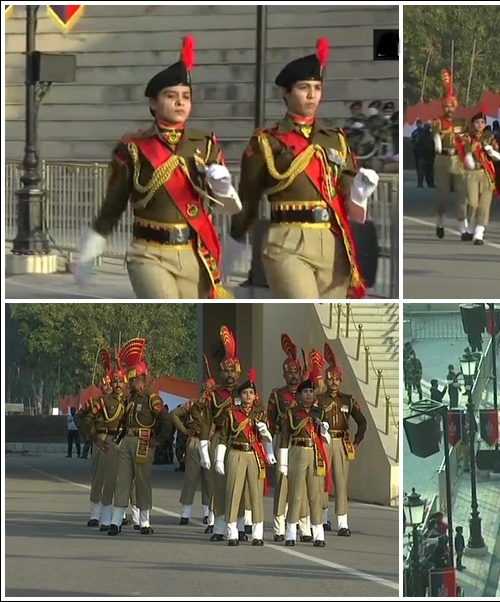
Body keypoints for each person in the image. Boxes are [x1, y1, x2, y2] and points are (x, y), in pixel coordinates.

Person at [74, 35, 240, 299]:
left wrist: (222, 184)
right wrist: (89, 252)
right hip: (149, 254)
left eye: (186, 96)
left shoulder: (205, 144)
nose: (180, 102)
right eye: (171, 96)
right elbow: (112, 206)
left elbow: (228, 206)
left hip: (193, 254)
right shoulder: (133, 148)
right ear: (153, 103)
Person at [230, 38, 379, 299]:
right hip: (287, 241)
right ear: (287, 93)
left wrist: (359, 189)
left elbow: (343, 188)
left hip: (333, 241)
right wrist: (228, 256)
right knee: (305, 312)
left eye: (317, 88)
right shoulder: (267, 142)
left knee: (328, 329)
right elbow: (248, 201)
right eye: (303, 88)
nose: (312, 95)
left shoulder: (335, 138)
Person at [107, 338, 172, 535]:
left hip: (144, 439)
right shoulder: (130, 400)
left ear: (141, 380)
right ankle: (116, 521)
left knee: (143, 481)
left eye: (132, 380)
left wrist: (159, 440)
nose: (129, 383)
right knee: (123, 480)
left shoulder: (153, 400)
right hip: (127, 440)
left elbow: (166, 421)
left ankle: (144, 521)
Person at [215, 369, 275, 547]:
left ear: (255, 396)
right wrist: (219, 458)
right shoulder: (232, 413)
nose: (248, 395)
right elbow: (224, 436)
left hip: (254, 454)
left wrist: (269, 450)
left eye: (251, 393)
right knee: (234, 491)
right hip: (236, 453)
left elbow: (266, 437)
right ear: (240, 396)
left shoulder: (260, 414)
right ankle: (232, 531)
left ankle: (257, 533)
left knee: (256, 494)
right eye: (245, 393)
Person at [266, 334, 311, 542]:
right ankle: (279, 527)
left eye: (296, 372)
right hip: (283, 441)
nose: (293, 376)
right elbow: (270, 419)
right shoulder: (278, 394)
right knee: (283, 484)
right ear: (284, 374)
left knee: (301, 486)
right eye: (289, 372)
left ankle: (304, 527)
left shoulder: (308, 395)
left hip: (303, 442)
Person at [319, 343, 368, 536]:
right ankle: (322, 519)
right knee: (322, 480)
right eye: (330, 379)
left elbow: (362, 422)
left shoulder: (348, 400)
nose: (333, 382)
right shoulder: (319, 399)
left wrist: (356, 443)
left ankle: (342, 522)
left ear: (341, 380)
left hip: (341, 442)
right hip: (323, 441)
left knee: (341, 482)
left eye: (337, 379)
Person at [278, 364, 329, 547]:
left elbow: (326, 438)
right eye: (305, 391)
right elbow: (285, 437)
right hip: (297, 451)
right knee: (296, 494)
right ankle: (291, 532)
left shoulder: (320, 412)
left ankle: (318, 534)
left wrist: (324, 430)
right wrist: (283, 463)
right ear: (299, 395)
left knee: (315, 496)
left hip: (314, 452)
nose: (308, 394)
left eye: (310, 391)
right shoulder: (292, 413)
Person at [76, 348, 126, 529]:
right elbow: (81, 418)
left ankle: (119, 514)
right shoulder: (98, 402)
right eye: (109, 383)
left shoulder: (126, 401)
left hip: (120, 440)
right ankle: (96, 514)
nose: (110, 386)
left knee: (120, 478)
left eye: (115, 382)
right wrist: (93, 438)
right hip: (102, 438)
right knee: (99, 477)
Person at [170, 357, 215, 526]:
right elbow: (173, 414)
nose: (206, 393)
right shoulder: (192, 405)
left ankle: (207, 513)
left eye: (209, 391)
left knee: (209, 480)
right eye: (204, 390)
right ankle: (185, 513)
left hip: (210, 443)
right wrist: (183, 430)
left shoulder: (214, 408)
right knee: (190, 478)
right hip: (195, 442)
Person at [208, 326, 243, 540]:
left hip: (240, 442)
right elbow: (205, 418)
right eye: (226, 371)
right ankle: (219, 526)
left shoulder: (247, 394)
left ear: (238, 372)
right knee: (220, 485)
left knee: (239, 485)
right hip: (219, 438)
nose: (229, 375)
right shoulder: (214, 394)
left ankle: (238, 525)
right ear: (221, 372)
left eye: (233, 371)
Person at [431, 70, 469, 240]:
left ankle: (464, 228)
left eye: (452, 105)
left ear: (456, 105)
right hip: (442, 159)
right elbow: (435, 131)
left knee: (462, 193)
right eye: (446, 105)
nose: (449, 109)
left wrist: (468, 154)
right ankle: (440, 221)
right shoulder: (438, 121)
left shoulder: (462, 122)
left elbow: (469, 139)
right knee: (443, 195)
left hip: (458, 160)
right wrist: (436, 138)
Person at [459, 104, 500, 245]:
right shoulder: (467, 137)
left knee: (484, 205)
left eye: (482, 122)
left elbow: (498, 157)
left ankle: (479, 233)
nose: (479, 125)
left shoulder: (490, 138)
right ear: (472, 124)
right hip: (471, 173)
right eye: (477, 122)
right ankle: (470, 228)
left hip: (486, 173)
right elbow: (464, 149)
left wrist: (491, 152)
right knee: (472, 203)